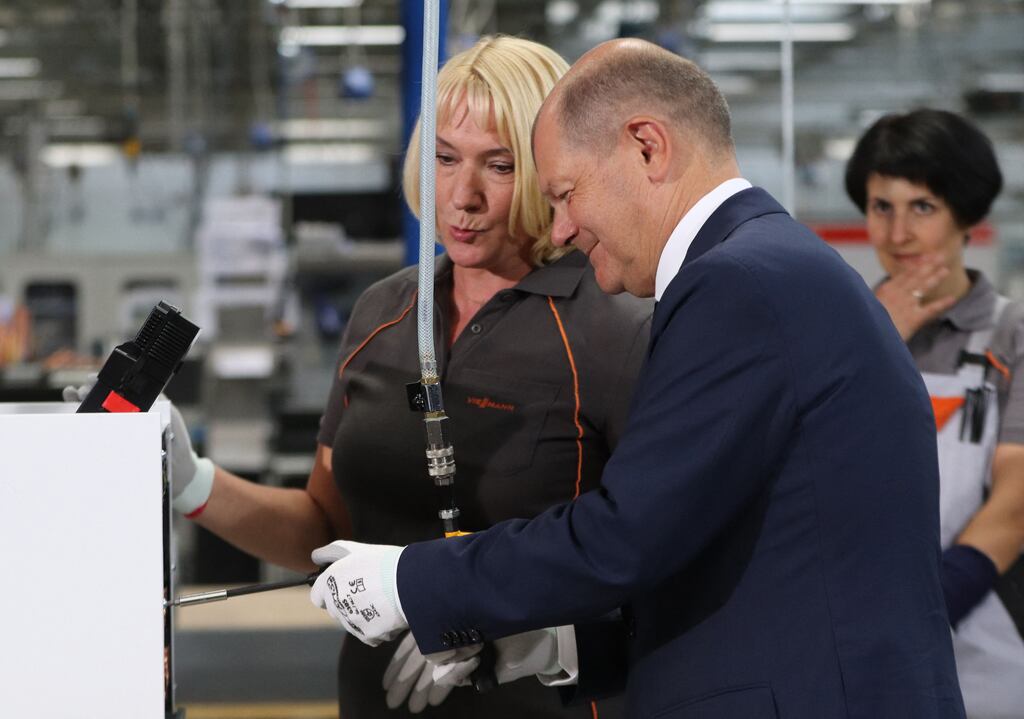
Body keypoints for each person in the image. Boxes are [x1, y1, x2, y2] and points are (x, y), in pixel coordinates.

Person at [309, 38, 967, 718]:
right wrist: (555, 643)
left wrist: (408, 579)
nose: (561, 227)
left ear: (647, 147)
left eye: (565, 193)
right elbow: (726, 556)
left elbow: (627, 533)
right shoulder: (771, 268)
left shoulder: (735, 286)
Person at [63, 36, 649, 717]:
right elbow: (322, 525)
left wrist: (528, 634)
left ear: (554, 170)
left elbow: (654, 548)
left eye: (501, 164)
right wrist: (194, 482)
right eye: (444, 158)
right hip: (377, 699)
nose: (463, 195)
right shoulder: (385, 312)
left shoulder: (610, 324)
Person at [845, 108, 1024, 718]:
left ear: (966, 216)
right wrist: (877, 342)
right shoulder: (841, 331)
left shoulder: (1012, 333)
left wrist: (926, 611)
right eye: (880, 207)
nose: (897, 235)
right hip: (852, 636)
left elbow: (1017, 499)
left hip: (987, 643)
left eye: (922, 207)